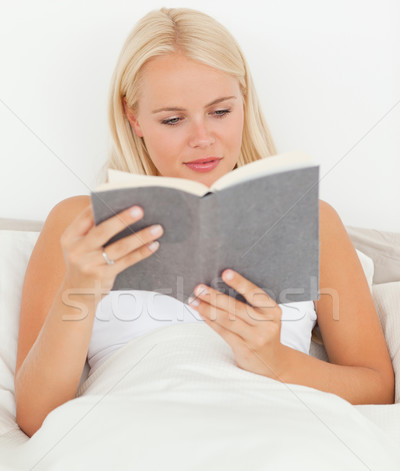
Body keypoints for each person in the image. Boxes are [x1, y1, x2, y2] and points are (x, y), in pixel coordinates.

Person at [14, 8, 394, 438]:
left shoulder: (311, 220)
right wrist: (76, 289)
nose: (202, 138)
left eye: (220, 111)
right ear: (134, 117)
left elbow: (378, 390)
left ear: (244, 100)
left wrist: (278, 360)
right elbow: (36, 417)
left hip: (274, 436)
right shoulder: (80, 226)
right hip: (130, 439)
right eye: (173, 119)